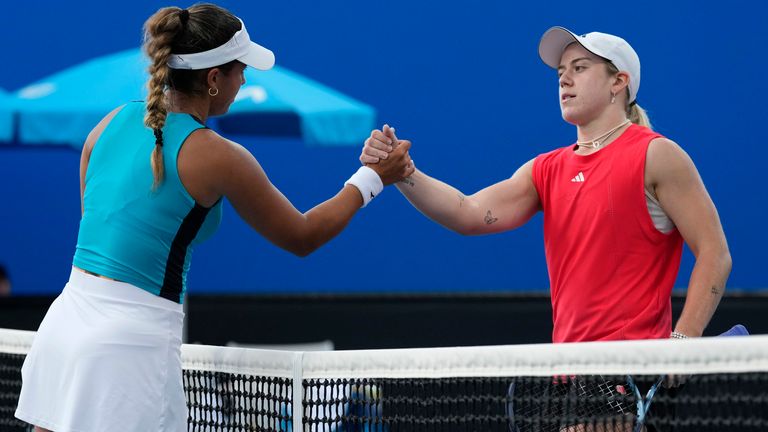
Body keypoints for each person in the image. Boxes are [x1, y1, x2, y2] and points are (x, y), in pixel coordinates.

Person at [14, 4, 413, 432]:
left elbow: (102, 234)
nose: (244, 80)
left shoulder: (106, 124)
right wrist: (373, 177)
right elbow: (303, 235)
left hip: (62, 328)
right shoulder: (220, 155)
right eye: (239, 70)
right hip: (126, 348)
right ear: (212, 79)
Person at [362, 27, 731, 430]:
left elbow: (715, 252)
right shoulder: (546, 169)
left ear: (618, 83)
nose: (564, 79)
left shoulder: (657, 155)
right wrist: (403, 174)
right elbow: (467, 212)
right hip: (565, 378)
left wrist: (683, 342)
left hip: (628, 373)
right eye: (560, 72)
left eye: (580, 67)